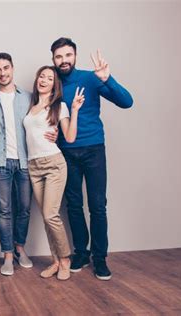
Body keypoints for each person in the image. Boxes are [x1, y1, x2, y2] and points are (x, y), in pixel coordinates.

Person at [50, 37, 133, 280]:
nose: (63, 60)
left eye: (67, 55)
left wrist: (107, 78)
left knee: (98, 206)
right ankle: (81, 253)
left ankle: (100, 258)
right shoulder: (52, 82)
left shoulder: (91, 78)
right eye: (58, 56)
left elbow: (127, 102)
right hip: (66, 152)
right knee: (74, 206)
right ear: (53, 59)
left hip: (94, 149)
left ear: (74, 56)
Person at [23, 65, 85, 281]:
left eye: (49, 78)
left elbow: (69, 137)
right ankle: (56, 261)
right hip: (33, 166)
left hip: (53, 164)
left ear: (54, 84)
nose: (44, 80)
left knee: (51, 215)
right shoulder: (30, 104)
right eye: (41, 76)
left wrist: (75, 110)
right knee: (46, 217)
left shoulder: (60, 106)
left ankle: (66, 259)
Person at [0, 52, 35, 276]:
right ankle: (7, 254)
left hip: (24, 161)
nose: (2, 73)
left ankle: (19, 248)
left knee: (24, 208)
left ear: (12, 68)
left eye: (6, 68)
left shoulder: (29, 97)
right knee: (4, 209)